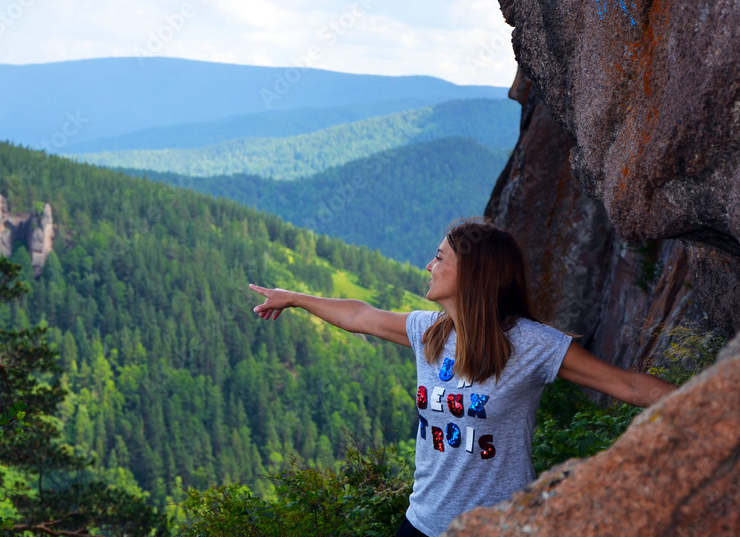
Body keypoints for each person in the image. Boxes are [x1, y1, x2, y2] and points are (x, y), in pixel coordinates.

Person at [248, 220, 678, 537]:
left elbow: (628, 385)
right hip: (422, 523)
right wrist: (295, 299)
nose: (428, 265)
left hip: (497, 528)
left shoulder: (533, 345)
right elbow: (362, 316)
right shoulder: (428, 332)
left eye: (440, 257)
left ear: (471, 273)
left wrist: (725, 399)